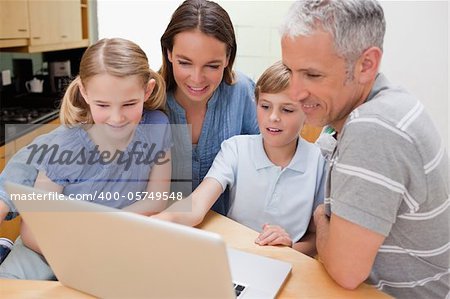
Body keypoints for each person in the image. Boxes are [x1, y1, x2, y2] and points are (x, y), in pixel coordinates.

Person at [280, 0, 449, 298]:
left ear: (366, 65)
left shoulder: (373, 127)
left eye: (313, 75)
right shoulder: (390, 104)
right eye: (289, 70)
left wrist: (322, 216)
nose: (294, 92)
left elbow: (346, 271)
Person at [0, 38, 172, 280]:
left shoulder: (157, 127)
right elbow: (32, 230)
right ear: (84, 92)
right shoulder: (65, 144)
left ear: (148, 90)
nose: (117, 117)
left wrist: (103, 230)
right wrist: (78, 253)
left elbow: (156, 200)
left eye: (129, 104)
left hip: (115, 240)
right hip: (47, 248)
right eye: (102, 104)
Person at [153, 61, 326, 256]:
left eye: (287, 110)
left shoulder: (320, 163)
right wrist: (151, 224)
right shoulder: (235, 148)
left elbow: (315, 237)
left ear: (307, 113)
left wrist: (290, 247)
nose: (273, 117)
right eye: (265, 106)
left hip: (289, 263)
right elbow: (196, 204)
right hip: (233, 256)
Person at [159, 0, 259, 215]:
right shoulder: (149, 100)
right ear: (169, 53)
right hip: (161, 229)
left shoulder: (242, 91)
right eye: (185, 62)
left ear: (227, 58)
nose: (197, 79)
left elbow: (270, 158)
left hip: (232, 230)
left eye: (212, 66)